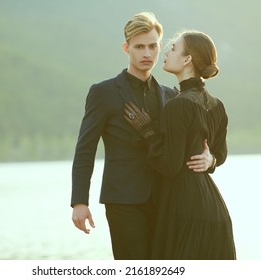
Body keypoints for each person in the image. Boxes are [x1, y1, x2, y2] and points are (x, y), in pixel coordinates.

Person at [71, 13, 215, 260]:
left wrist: (210, 158)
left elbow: (198, 144)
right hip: (124, 201)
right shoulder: (103, 93)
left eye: (152, 46)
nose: (147, 53)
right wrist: (79, 202)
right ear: (127, 48)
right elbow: (85, 149)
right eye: (139, 47)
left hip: (168, 201)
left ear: (160, 47)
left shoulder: (172, 96)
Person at [124, 30, 236, 259]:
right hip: (215, 209)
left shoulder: (177, 106)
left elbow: (170, 166)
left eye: (173, 48)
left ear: (187, 60)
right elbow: (221, 154)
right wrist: (211, 160)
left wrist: (148, 132)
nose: (167, 51)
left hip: (185, 209)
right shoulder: (217, 105)